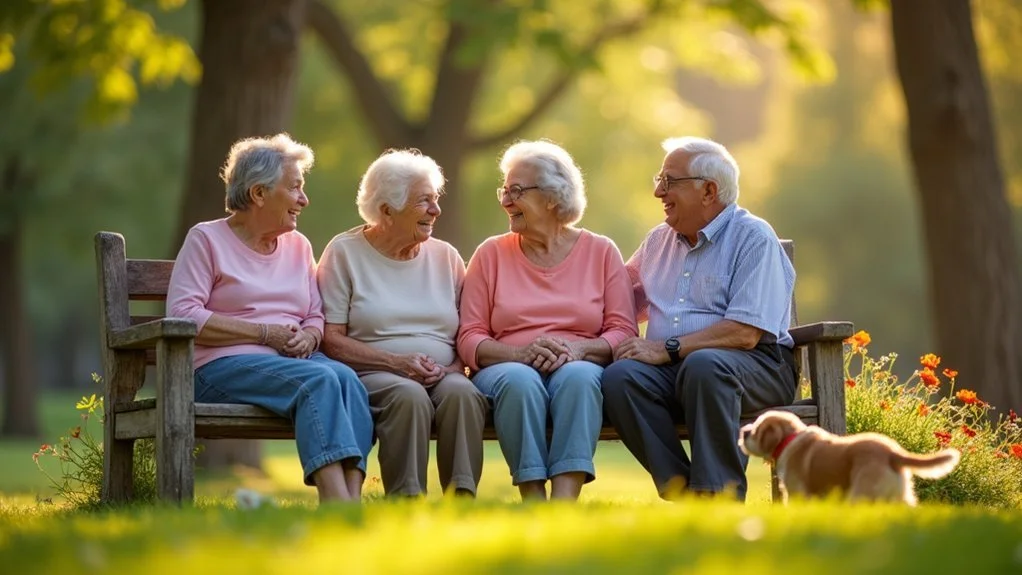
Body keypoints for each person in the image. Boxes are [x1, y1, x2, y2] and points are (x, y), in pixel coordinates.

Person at [167, 133, 373, 504]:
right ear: (259, 193)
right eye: (294, 188)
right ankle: (335, 501)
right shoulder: (206, 240)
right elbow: (184, 315)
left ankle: (352, 500)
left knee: (349, 381)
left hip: (292, 363)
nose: (304, 199)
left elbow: (314, 313)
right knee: (321, 380)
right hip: (218, 370)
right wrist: (265, 334)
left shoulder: (299, 246)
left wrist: (310, 337)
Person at [601, 136, 798, 502]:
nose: (659, 192)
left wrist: (667, 348)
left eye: (669, 181)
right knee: (621, 376)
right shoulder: (657, 241)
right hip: (677, 371)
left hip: (756, 366)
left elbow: (745, 332)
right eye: (659, 180)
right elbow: (619, 297)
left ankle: (719, 495)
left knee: (704, 365)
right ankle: (685, 491)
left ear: (709, 191)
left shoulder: (753, 237)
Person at [457, 140, 638, 501]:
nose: (506, 201)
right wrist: (519, 354)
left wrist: (579, 349)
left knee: (579, 378)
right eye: (504, 191)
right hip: (505, 366)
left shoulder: (601, 251)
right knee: (520, 380)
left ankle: (564, 501)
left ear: (554, 197)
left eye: (517, 191)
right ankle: (533, 497)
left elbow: (623, 331)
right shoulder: (490, 254)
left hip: (580, 362)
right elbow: (469, 337)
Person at [317, 149, 488, 498]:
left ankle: (462, 499)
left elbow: (466, 331)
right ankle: (407, 499)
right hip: (373, 372)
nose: (435, 210)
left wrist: (453, 368)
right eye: (424, 201)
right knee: (409, 396)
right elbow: (330, 339)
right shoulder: (344, 252)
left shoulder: (446, 257)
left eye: (435, 199)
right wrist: (396, 363)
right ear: (386, 210)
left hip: (441, 373)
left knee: (463, 394)